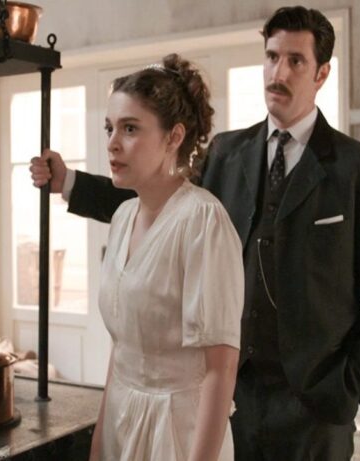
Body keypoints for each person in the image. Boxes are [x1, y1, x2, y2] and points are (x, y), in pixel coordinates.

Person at [30, 6, 360, 461]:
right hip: (229, 399)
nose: (279, 72)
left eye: (295, 60)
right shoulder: (227, 152)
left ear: (322, 73)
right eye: (272, 56)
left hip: (315, 407)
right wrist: (71, 183)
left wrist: (350, 385)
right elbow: (162, 202)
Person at [62, 54, 243, 461]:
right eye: (109, 128)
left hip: (179, 433)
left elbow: (221, 369)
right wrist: (100, 443)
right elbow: (122, 348)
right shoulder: (123, 217)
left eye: (130, 128)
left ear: (174, 137)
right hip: (122, 421)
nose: (112, 143)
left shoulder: (202, 221)